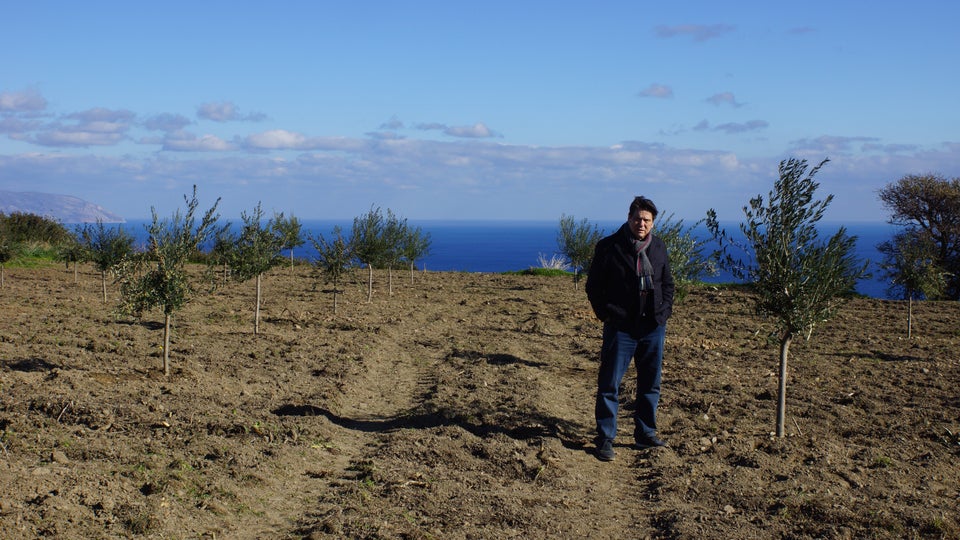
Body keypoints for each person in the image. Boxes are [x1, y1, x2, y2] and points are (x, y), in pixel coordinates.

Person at [585, 196, 675, 461]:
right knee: (610, 384)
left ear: (653, 223)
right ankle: (605, 438)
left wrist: (664, 312)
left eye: (647, 220)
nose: (642, 224)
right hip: (621, 327)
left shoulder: (658, 247)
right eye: (638, 218)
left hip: (652, 327)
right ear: (629, 218)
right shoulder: (609, 246)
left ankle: (645, 434)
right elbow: (594, 286)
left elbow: (667, 284)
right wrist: (607, 315)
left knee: (650, 384)